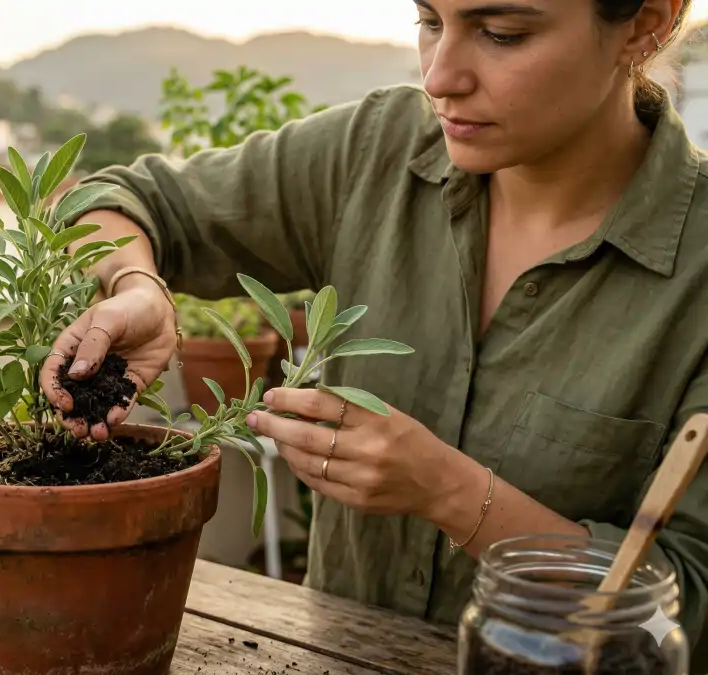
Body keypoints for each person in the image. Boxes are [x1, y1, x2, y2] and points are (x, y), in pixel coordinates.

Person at [39, 0, 708, 665]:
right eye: (430, 22)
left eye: (502, 34)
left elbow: (689, 605)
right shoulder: (379, 148)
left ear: (646, 23)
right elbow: (117, 200)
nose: (440, 76)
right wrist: (138, 286)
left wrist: (449, 491)